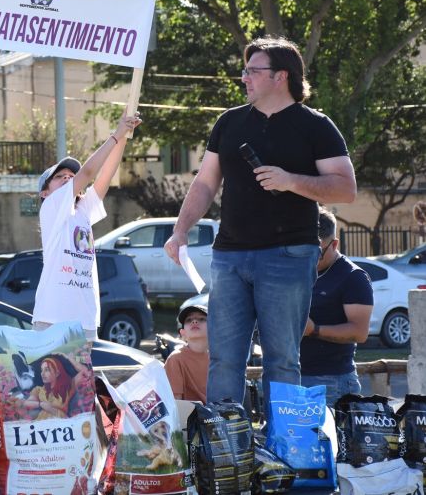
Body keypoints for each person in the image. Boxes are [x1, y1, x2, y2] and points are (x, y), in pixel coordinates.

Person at [164, 36, 357, 409]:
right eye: (245, 71)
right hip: (229, 256)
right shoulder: (229, 122)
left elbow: (346, 189)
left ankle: (282, 450)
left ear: (281, 76)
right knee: (223, 357)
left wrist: (291, 181)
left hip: (288, 255)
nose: (245, 78)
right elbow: (205, 183)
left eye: (254, 71)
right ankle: (225, 446)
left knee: (281, 360)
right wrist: (180, 229)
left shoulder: (315, 125)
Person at [33, 110, 142, 340]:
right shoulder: (51, 207)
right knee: (51, 376)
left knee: (79, 379)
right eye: (59, 176)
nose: (68, 178)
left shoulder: (82, 211)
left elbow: (105, 175)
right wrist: (115, 134)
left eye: (71, 175)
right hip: (53, 317)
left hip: (84, 320)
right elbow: (89, 172)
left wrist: (124, 134)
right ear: (45, 192)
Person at [300, 207, 373, 407]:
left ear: (334, 244)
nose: (310, 258)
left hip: (331, 380)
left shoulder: (353, 277)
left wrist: (314, 330)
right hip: (293, 375)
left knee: (331, 439)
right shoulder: (299, 270)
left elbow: (359, 332)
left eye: (317, 252)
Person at [164, 304, 209, 403]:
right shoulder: (175, 359)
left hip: (219, 414)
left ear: (213, 329)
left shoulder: (217, 358)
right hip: (190, 416)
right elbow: (175, 402)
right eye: (189, 320)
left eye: (201, 319)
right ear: (182, 334)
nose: (194, 321)